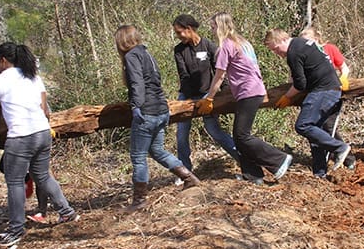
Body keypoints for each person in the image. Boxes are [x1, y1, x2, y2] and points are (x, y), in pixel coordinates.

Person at [0, 43, 79, 248]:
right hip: (43, 133)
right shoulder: (33, 77)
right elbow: (45, 111)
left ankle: (16, 229)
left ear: (2, 61)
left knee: (15, 182)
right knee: (42, 176)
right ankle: (67, 212)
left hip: (20, 137)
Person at [196, 13, 292, 185]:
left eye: (212, 27)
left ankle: (279, 159)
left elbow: (219, 76)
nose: (211, 30)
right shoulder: (242, 42)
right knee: (239, 137)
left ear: (220, 27)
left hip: (248, 91)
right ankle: (253, 175)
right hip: (252, 89)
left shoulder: (226, 45)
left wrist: (209, 98)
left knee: (242, 136)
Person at [115, 24, 201, 212]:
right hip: (161, 110)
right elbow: (155, 82)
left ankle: (139, 200)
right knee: (157, 150)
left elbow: (137, 83)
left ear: (121, 41)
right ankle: (189, 178)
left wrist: (136, 106)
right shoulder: (146, 54)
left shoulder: (131, 56)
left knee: (138, 157)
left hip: (147, 112)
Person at [265, 29, 352, 179]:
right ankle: (319, 173)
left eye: (276, 48)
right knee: (315, 131)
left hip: (324, 91)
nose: (276, 52)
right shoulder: (302, 43)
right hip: (329, 88)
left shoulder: (294, 52)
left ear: (282, 40)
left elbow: (300, 84)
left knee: (303, 125)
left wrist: (286, 97)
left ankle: (340, 148)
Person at [172, 14, 239, 172]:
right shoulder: (178, 50)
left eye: (179, 32)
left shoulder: (209, 46)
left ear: (189, 29)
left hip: (207, 95)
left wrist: (220, 94)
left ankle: (243, 159)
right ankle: (185, 171)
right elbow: (184, 75)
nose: (178, 35)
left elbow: (220, 71)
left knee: (214, 132)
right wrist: (189, 103)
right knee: (181, 134)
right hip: (187, 96)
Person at [299, 26, 356, 170]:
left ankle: (334, 162)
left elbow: (344, 67)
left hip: (331, 92)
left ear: (316, 39)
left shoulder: (329, 49)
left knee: (328, 128)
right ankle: (341, 157)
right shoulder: (303, 54)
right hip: (316, 94)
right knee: (317, 128)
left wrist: (343, 78)